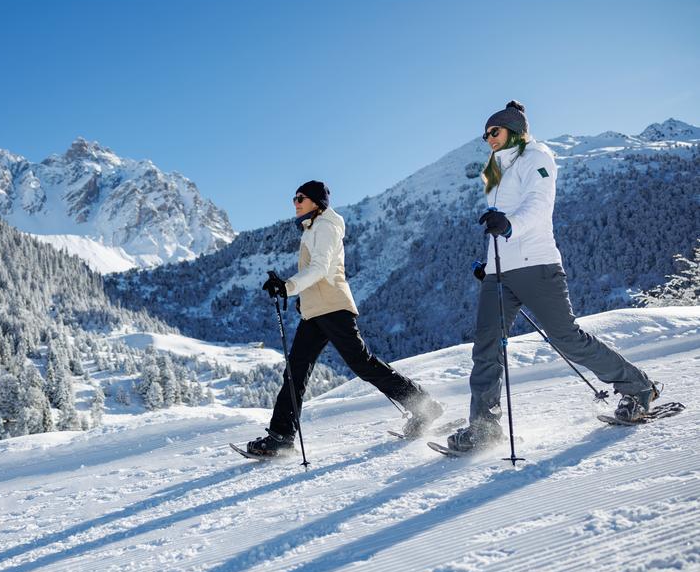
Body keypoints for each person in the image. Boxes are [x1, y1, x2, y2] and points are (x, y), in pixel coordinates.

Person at [448, 101, 659, 453]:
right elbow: (499, 220)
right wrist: (490, 263)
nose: (489, 139)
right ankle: (484, 426)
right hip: (500, 274)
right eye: (485, 135)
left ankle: (637, 388)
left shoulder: (537, 157)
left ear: (514, 131)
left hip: (537, 265)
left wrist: (509, 226)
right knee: (486, 346)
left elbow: (538, 206)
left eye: (494, 131)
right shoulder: (495, 170)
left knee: (566, 338)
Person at [247, 180, 444, 456]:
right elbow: (318, 274)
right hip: (316, 311)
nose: (295, 203)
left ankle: (424, 405)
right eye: (294, 198)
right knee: (295, 370)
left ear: (316, 202)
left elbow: (321, 268)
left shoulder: (326, 226)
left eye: (300, 198)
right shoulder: (312, 228)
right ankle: (281, 435)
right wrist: (303, 298)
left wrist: (288, 287)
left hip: (333, 308)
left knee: (361, 363)